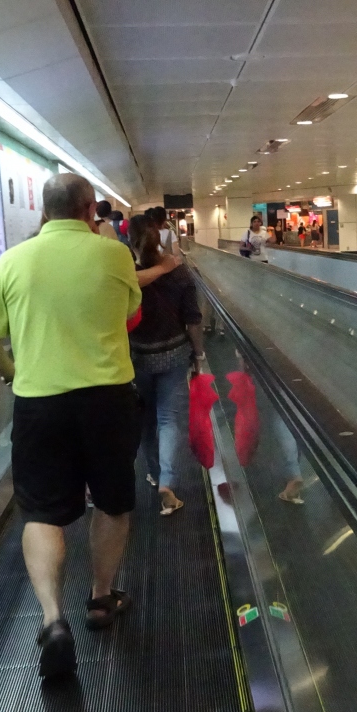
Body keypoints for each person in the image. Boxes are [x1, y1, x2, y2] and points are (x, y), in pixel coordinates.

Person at [0, 172, 143, 682]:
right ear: (91, 210)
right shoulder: (114, 255)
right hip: (107, 399)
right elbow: (130, 311)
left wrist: (15, 374)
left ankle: (52, 620)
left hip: (39, 402)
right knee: (111, 501)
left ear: (43, 212)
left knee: (42, 512)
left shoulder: (11, 261)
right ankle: (101, 598)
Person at [127, 214, 205, 516]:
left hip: (138, 357)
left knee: (146, 420)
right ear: (158, 237)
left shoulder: (128, 275)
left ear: (130, 241)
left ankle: (155, 473)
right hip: (174, 354)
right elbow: (193, 319)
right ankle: (168, 482)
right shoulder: (179, 272)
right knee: (169, 419)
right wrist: (198, 354)